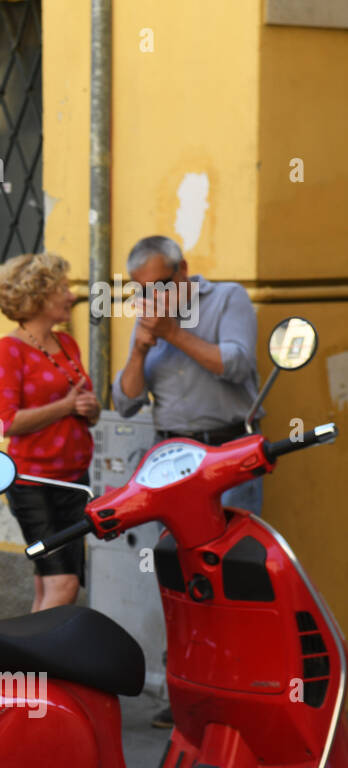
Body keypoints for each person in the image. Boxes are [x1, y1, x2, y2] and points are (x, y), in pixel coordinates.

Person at [113, 235, 261, 729]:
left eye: (156, 285)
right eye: (140, 290)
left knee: (233, 576)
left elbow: (236, 363)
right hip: (172, 463)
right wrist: (138, 350)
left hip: (225, 454)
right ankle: (190, 694)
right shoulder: (150, 316)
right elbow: (125, 402)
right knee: (181, 578)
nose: (149, 298)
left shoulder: (227, 299)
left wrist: (174, 333)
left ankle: (241, 694)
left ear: (182, 273)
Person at [0, 253, 100, 611]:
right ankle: (43, 662)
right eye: (62, 288)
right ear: (37, 296)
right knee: (64, 584)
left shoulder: (68, 344)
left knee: (47, 585)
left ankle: (27, 654)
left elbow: (85, 407)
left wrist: (89, 409)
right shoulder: (8, 351)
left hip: (74, 481)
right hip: (34, 485)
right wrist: (65, 407)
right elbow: (3, 423)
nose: (71, 295)